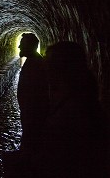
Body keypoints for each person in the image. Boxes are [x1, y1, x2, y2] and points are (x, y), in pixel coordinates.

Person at [33, 41, 108, 178]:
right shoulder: (82, 100)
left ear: (62, 67)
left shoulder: (74, 112)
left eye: (49, 63)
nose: (44, 68)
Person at [17, 33, 49, 153]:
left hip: (33, 118)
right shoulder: (33, 61)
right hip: (30, 116)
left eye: (22, 44)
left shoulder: (36, 65)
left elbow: (37, 96)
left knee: (30, 147)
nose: (19, 47)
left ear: (30, 46)